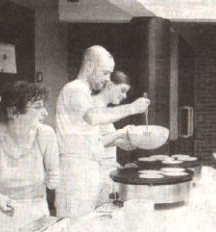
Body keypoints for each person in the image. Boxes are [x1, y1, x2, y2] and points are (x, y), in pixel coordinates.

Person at [55, 45, 150, 219]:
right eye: (105, 73)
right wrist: (131, 108)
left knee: (90, 222)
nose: (107, 79)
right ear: (90, 66)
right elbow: (92, 117)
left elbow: (93, 138)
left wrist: (121, 138)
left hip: (88, 168)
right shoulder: (74, 88)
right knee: (77, 224)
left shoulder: (85, 92)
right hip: (75, 172)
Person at [0, 81, 59, 232]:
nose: (45, 113)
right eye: (38, 107)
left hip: (36, 210)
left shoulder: (46, 134)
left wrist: (54, 179)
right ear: (13, 112)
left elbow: (54, 176)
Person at [93, 71, 138, 204]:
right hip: (97, 174)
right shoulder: (94, 107)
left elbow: (103, 139)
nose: (124, 96)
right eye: (122, 90)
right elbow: (94, 144)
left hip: (107, 171)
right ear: (110, 85)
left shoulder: (103, 108)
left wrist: (119, 143)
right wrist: (120, 133)